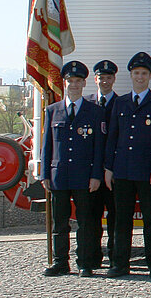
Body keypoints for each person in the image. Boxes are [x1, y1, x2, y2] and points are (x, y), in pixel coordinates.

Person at [103, 52, 151, 278]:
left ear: (150, 76)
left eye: (144, 73)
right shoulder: (120, 103)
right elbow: (112, 138)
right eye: (136, 73)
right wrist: (108, 168)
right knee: (121, 219)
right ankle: (120, 264)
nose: (140, 77)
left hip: (147, 171)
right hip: (122, 170)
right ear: (131, 75)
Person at [41, 60, 105, 277]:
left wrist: (96, 175)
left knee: (85, 222)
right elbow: (47, 145)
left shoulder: (95, 112)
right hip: (59, 175)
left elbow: (99, 148)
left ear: (85, 83)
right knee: (60, 223)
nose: (74, 85)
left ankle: (84, 262)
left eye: (78, 81)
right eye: (70, 81)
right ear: (64, 83)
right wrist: (45, 174)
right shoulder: (53, 110)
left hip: (84, 176)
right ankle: (60, 262)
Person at [90, 58, 119, 265]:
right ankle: (92, 256)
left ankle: (115, 255)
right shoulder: (86, 104)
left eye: (109, 78)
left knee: (115, 216)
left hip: (114, 170)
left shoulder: (122, 103)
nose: (105, 81)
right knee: (91, 216)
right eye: (101, 78)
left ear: (114, 79)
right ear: (95, 79)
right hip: (91, 170)